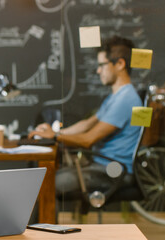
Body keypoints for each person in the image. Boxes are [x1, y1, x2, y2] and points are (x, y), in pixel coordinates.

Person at [29, 36, 142, 194]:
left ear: (120, 64)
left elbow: (88, 140)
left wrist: (54, 137)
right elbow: (88, 123)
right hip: (103, 165)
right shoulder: (117, 96)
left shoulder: (126, 99)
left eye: (102, 65)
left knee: (47, 184)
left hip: (112, 172)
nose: (98, 70)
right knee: (46, 180)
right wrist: (54, 133)